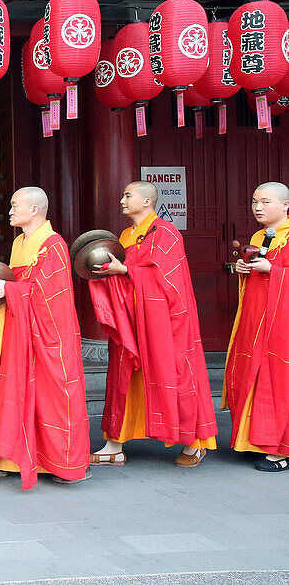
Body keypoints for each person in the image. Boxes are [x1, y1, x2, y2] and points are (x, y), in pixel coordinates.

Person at [0, 187, 90, 489]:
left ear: (34, 210)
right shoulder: (20, 242)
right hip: (18, 328)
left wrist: (11, 290)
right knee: (10, 391)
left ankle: (60, 462)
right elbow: (21, 284)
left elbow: (51, 295)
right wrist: (1, 289)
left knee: (50, 394)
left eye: (15, 205)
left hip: (47, 335)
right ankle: (3, 456)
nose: (10, 210)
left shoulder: (53, 245)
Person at [88, 181, 217, 467]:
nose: (122, 200)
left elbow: (170, 281)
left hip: (163, 320)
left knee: (175, 374)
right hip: (130, 318)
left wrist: (126, 270)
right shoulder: (124, 235)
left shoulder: (166, 232)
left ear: (146, 202)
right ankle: (114, 444)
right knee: (123, 377)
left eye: (128, 195)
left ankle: (194, 441)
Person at [222, 181, 289, 472]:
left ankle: (280, 450)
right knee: (254, 374)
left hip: (281, 324)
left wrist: (273, 270)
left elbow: (275, 273)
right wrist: (243, 271)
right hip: (256, 320)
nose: (258, 208)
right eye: (254, 202)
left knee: (278, 381)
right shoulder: (260, 236)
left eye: (265, 202)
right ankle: (255, 441)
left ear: (286, 205)